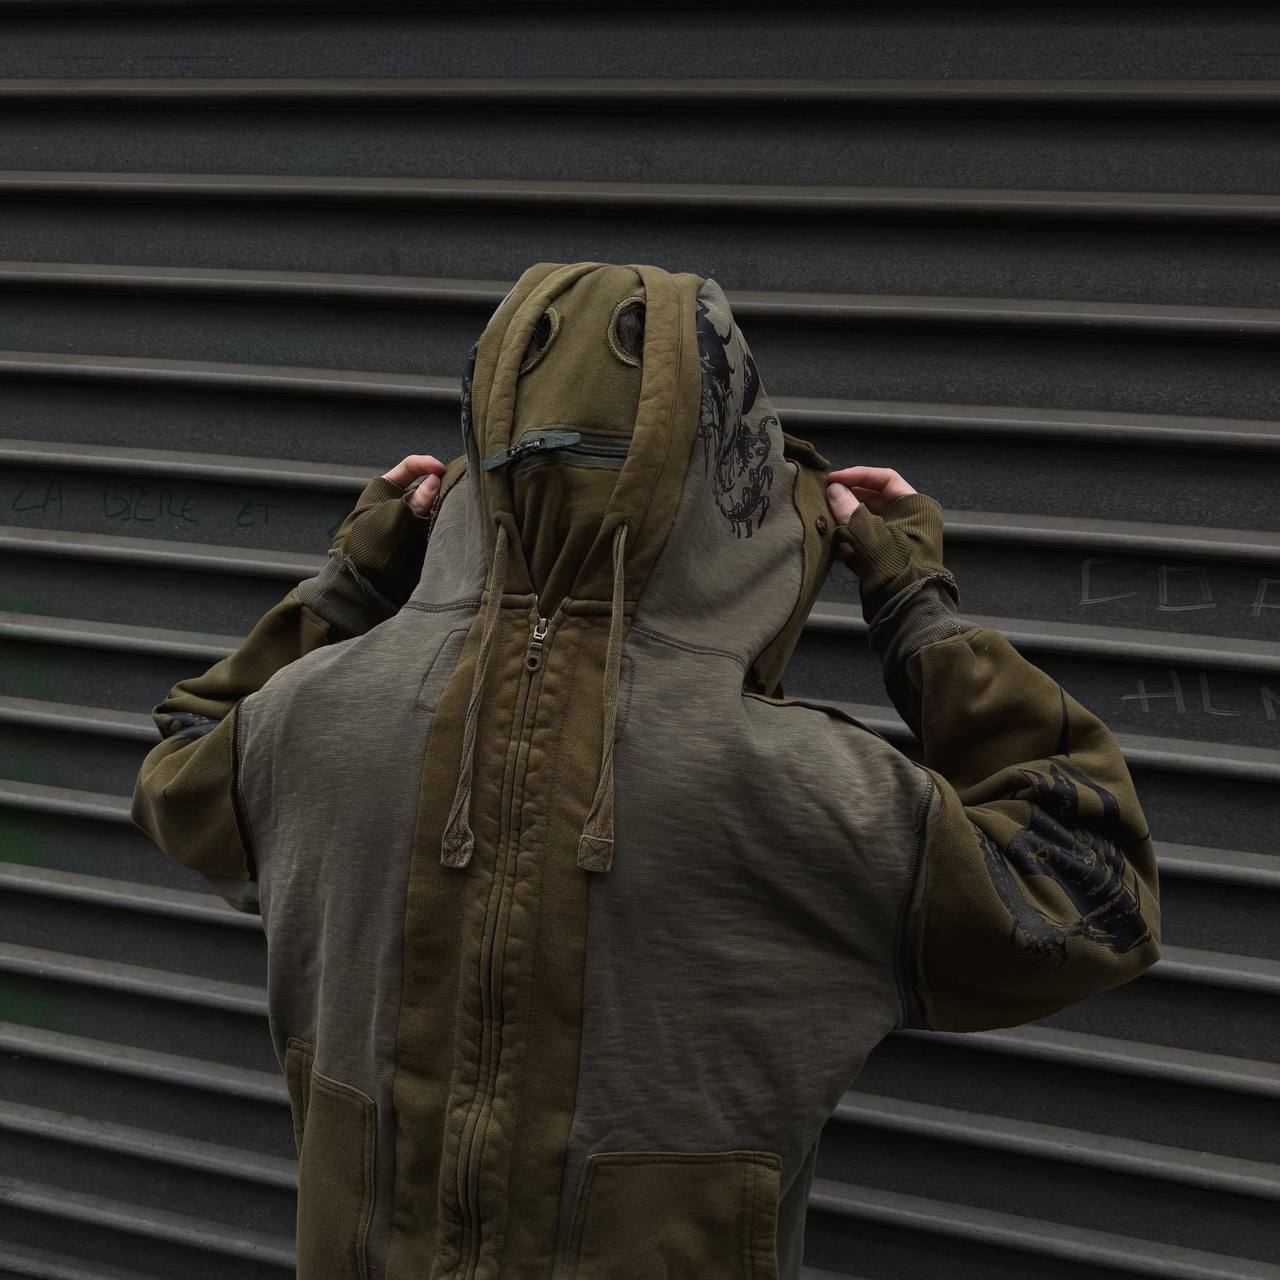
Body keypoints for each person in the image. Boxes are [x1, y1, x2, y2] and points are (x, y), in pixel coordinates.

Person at [130, 261, 1161, 1280]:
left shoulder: (307, 723)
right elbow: (1084, 891)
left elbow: (182, 760)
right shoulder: (807, 786)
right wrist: (913, 604)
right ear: (732, 479)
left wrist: (355, 580)